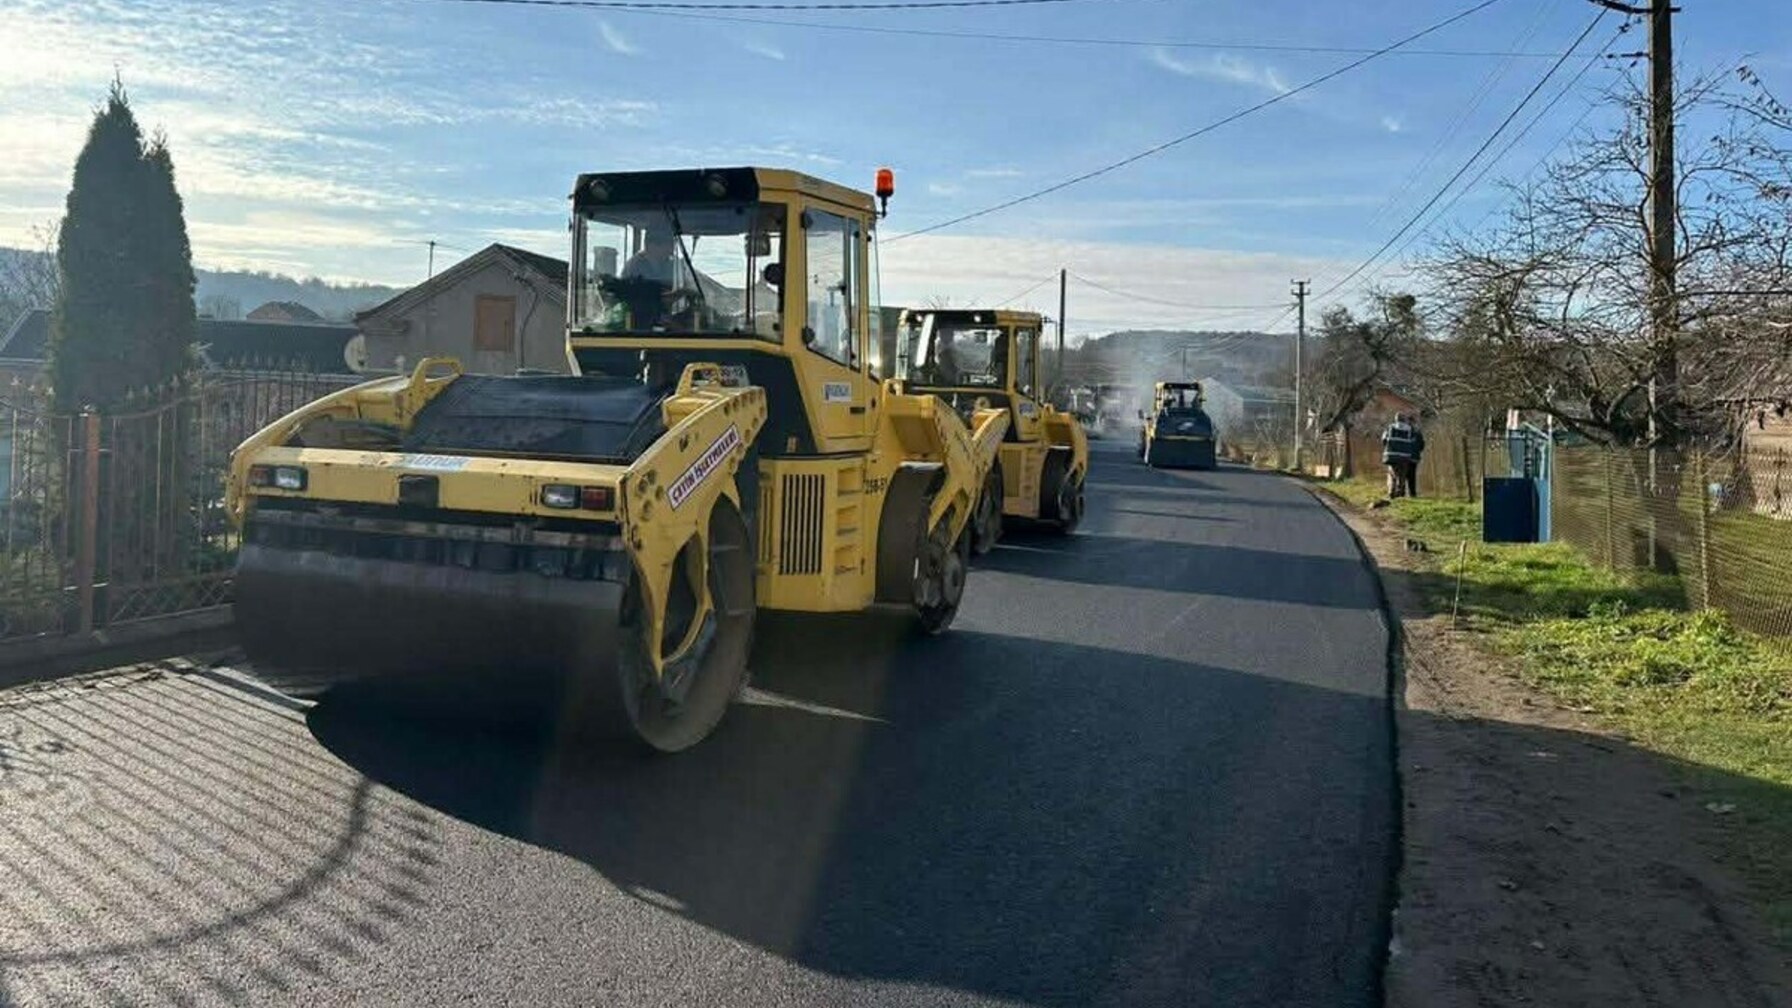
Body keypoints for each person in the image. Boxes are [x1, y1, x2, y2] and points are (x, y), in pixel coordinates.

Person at [1381, 412, 1425, 498]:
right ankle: (1407, 493)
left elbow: (1384, 440)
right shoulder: (1412, 430)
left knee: (1393, 474)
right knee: (1404, 475)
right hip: (1407, 457)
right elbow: (1420, 444)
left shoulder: (1391, 427)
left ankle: (1395, 492)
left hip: (1393, 455)